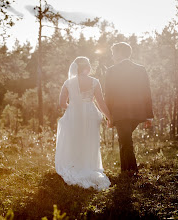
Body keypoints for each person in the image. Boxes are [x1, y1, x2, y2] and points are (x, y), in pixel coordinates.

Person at [55, 56, 112, 191]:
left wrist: (73, 106)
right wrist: (109, 117)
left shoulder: (68, 83)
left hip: (74, 114)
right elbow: (101, 102)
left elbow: (62, 104)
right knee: (90, 140)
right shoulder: (94, 82)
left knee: (74, 140)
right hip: (90, 114)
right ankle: (89, 166)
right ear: (88, 67)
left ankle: (76, 165)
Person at [105, 42, 154, 174]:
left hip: (120, 113)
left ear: (120, 53)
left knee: (125, 141)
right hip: (138, 113)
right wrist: (148, 115)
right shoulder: (140, 69)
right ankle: (126, 171)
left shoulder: (111, 71)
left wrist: (108, 116)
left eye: (113, 53)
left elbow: (108, 95)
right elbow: (146, 92)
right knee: (125, 139)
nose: (112, 56)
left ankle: (131, 172)